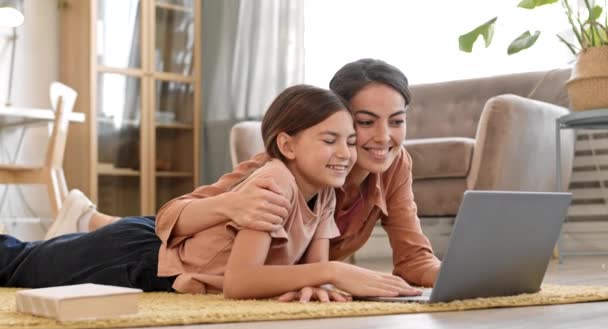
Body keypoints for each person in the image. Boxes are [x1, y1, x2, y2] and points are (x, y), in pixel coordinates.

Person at [44, 58, 440, 301]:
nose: (384, 138)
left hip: (199, 260)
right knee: (28, 262)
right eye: (365, 122)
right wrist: (229, 204)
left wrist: (474, 276)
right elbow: (170, 219)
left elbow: (411, 257)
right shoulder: (276, 172)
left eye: (397, 121)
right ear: (333, 114)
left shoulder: (388, 167)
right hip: (160, 249)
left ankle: (86, 219)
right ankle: (89, 222)